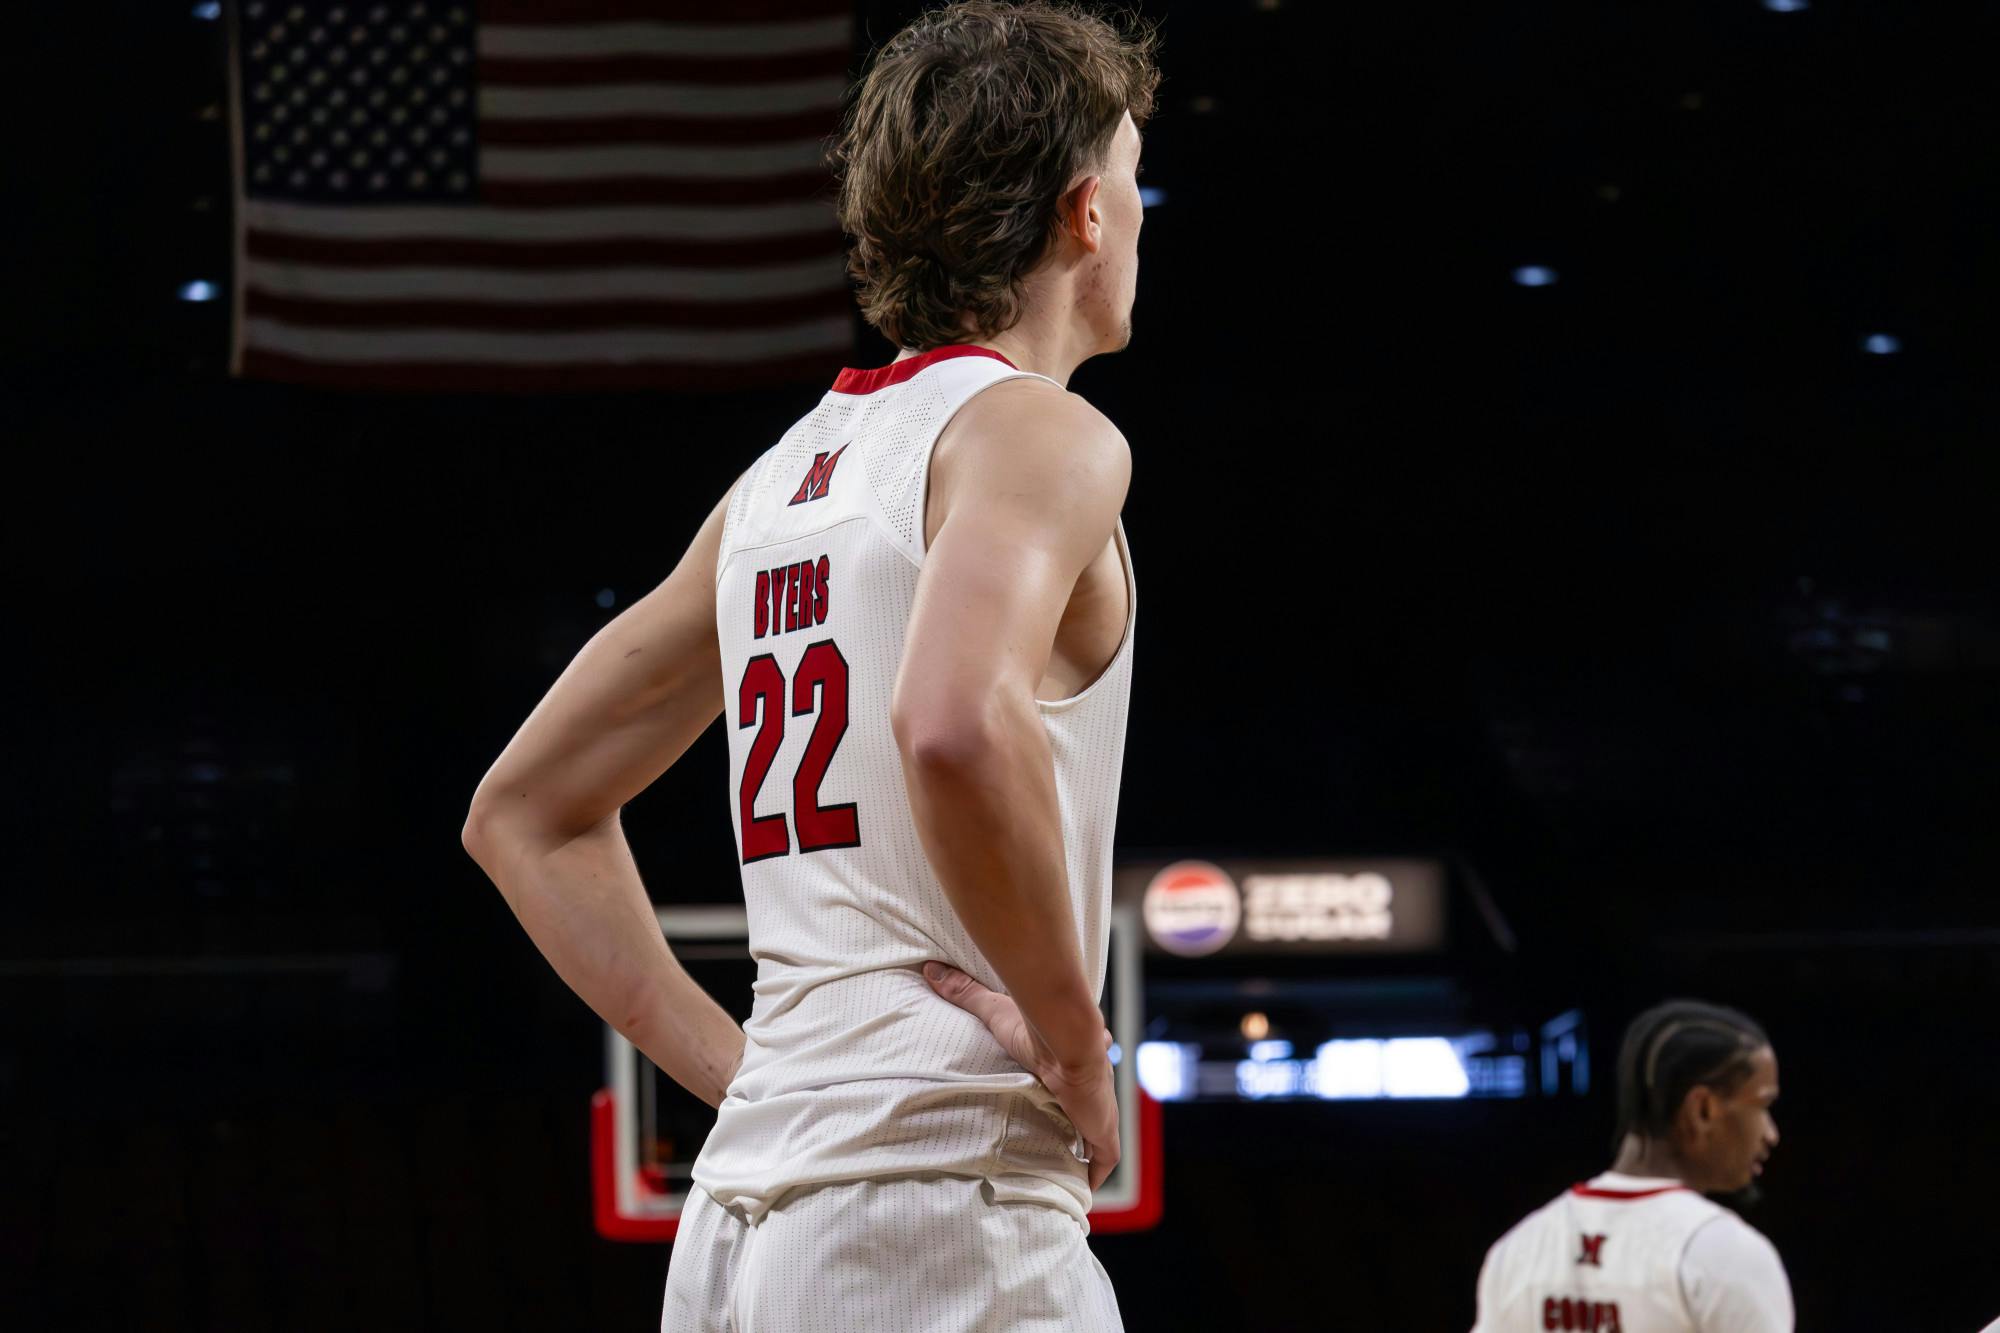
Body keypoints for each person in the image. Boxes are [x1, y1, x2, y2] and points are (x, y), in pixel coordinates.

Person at [460, 3, 1156, 1328]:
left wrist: (756, 1080)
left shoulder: (777, 485)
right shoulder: (1041, 437)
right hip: (939, 1199)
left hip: (742, 1221)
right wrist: (1077, 1046)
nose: (1139, 214)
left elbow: (524, 813)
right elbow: (951, 723)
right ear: (1084, 212)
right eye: (1133, 179)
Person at [1471, 1000, 1793, 1332]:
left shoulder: (1517, 1250)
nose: (1771, 1133)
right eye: (1762, 1105)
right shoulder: (1728, 1254)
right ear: (1702, 1110)